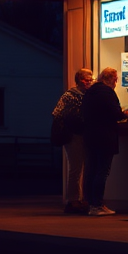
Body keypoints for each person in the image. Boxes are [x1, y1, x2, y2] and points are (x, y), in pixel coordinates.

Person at [81, 67, 128, 216]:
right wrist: (127, 115)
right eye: (115, 80)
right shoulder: (107, 92)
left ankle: (90, 203)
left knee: (91, 170)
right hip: (105, 137)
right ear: (110, 79)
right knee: (102, 171)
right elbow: (116, 113)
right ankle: (97, 204)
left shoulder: (90, 92)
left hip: (90, 136)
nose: (116, 83)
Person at [52, 67, 93, 214]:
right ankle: (74, 200)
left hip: (81, 134)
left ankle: (79, 199)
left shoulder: (86, 95)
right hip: (73, 135)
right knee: (76, 168)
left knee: (82, 168)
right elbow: (59, 114)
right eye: (88, 80)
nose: (91, 82)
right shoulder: (71, 95)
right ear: (81, 81)